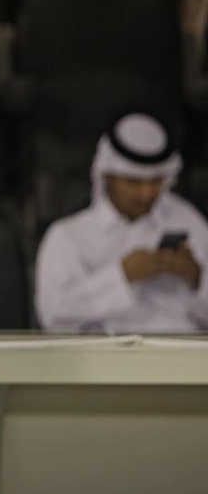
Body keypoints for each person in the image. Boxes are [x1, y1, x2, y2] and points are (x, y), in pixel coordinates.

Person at [35, 112, 208, 333]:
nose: (146, 194)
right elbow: (53, 318)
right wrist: (121, 276)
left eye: (156, 180)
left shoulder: (189, 222)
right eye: (133, 181)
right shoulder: (67, 236)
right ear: (108, 175)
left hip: (185, 351)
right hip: (104, 353)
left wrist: (197, 279)